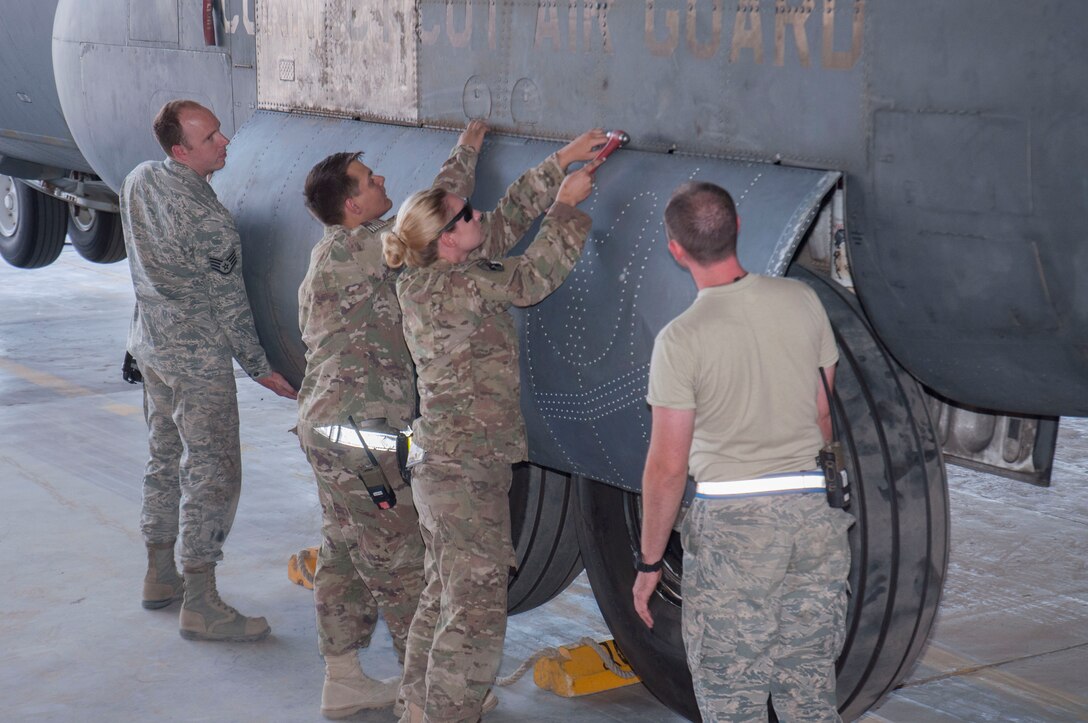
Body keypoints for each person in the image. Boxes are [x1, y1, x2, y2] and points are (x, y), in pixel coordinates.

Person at [382, 129, 607, 722]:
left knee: (443, 594)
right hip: (465, 470)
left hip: (441, 465)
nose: (475, 211)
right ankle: (451, 711)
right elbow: (532, 279)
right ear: (449, 242)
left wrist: (558, 161)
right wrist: (564, 206)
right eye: (464, 217)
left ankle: (420, 706)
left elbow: (493, 216)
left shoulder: (431, 272)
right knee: (477, 607)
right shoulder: (467, 285)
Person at [631, 182, 854, 721]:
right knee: (809, 691)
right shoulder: (801, 301)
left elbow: (667, 468)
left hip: (736, 529)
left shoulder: (681, 339)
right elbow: (824, 412)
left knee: (734, 699)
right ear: (738, 230)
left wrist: (649, 562)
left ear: (675, 249)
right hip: (813, 518)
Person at [296, 121, 486, 719]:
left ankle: (344, 677)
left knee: (346, 550)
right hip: (363, 439)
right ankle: (424, 693)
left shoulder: (339, 249)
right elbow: (430, 222)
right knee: (402, 560)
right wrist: (466, 155)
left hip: (334, 431)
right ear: (353, 205)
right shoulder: (357, 247)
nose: (382, 181)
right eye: (370, 180)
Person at [120, 99, 297, 642]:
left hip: (150, 346)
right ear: (181, 151)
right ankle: (200, 601)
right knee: (214, 474)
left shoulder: (139, 179)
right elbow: (231, 305)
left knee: (164, 458)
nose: (225, 142)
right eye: (211, 138)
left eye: (219, 131)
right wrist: (260, 367)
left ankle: (159, 574)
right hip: (196, 361)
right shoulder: (211, 221)